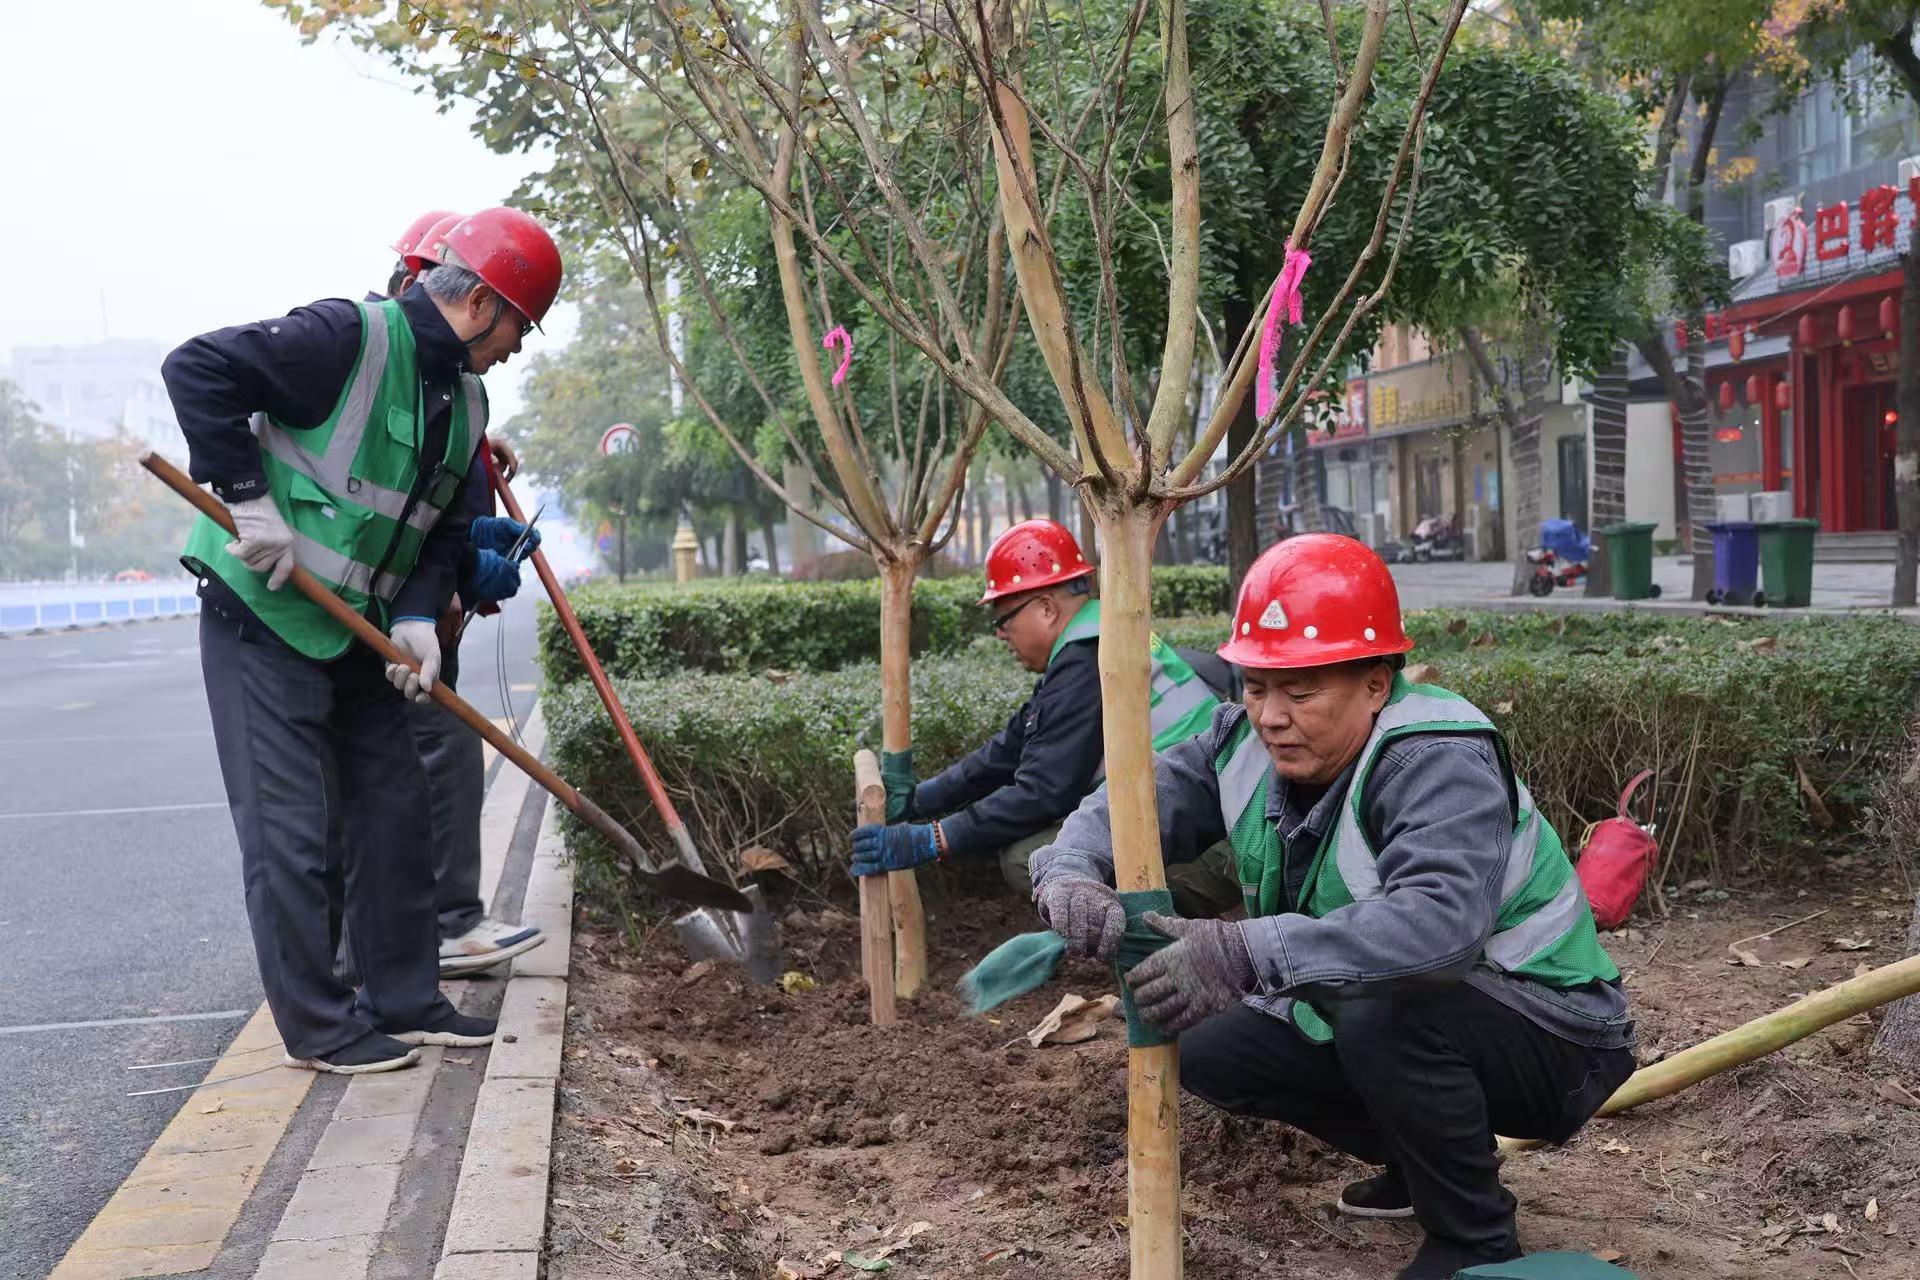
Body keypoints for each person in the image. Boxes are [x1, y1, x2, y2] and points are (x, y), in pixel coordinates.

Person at [1028, 534, 1636, 1280]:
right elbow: (1136, 799)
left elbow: (1437, 928)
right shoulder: (1244, 742)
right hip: (1427, 1017)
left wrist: (1246, 951)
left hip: (1556, 1034)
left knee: (1383, 1005)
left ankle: (1473, 1238)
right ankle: (1429, 1159)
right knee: (1208, 1039)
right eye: (1255, 687)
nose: (1271, 716)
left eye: (1302, 692)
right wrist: (1069, 866)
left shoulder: (1436, 758)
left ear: (1376, 683)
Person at [166, 206, 564, 1075]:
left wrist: (421, 616)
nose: (520, 347)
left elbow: (446, 527)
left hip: (361, 630)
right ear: (482, 303)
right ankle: (320, 1028)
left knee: (394, 817)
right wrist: (244, 494)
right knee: (292, 834)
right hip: (262, 613)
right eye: (521, 327)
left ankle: (406, 999)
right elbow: (196, 367)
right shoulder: (347, 336)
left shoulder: (465, 397)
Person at [848, 519, 1233, 913]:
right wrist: (919, 800)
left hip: (1216, 835)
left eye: (1003, 619)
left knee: (1029, 860)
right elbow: (1011, 747)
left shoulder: (1091, 662)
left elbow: (1043, 791)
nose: (1000, 634)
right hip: (1198, 806)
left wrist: (935, 837)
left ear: (1047, 609)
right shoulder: (1095, 640)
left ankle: (1142, 927)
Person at [377, 211, 545, 977]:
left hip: (422, 612)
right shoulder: (389, 360)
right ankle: (445, 926)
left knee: (422, 765)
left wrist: (484, 457)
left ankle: (429, 928)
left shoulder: (454, 384)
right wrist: (460, 566)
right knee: (435, 756)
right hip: (386, 614)